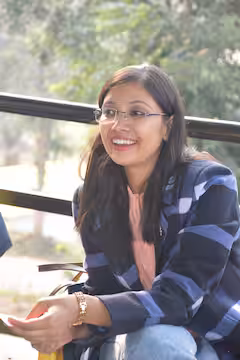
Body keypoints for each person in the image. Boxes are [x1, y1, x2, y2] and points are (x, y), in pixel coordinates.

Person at [7, 64, 240, 360]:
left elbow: (180, 300)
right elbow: (104, 292)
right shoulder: (91, 197)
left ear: (168, 125)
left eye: (137, 113)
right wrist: (68, 326)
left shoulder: (210, 184)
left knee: (154, 339)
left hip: (222, 336)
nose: (118, 125)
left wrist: (80, 308)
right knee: (149, 338)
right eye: (110, 112)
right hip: (152, 335)